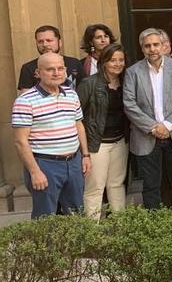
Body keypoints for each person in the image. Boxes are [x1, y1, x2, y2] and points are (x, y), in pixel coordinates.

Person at [123, 28, 172, 218]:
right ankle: (156, 227)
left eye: (156, 44)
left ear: (163, 46)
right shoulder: (133, 72)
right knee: (151, 185)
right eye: (147, 46)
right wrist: (154, 127)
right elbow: (129, 104)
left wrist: (168, 125)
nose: (152, 49)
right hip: (147, 136)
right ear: (142, 48)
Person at [12, 52, 92, 219]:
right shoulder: (25, 100)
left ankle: (76, 247)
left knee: (77, 215)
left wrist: (85, 155)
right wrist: (35, 172)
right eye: (50, 69)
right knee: (46, 218)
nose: (56, 73)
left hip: (74, 162)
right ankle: (48, 247)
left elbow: (79, 125)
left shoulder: (71, 94)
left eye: (60, 68)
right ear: (38, 72)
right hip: (45, 164)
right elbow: (20, 142)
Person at [76, 44, 129, 219]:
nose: (118, 63)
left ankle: (119, 227)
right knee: (95, 188)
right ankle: (93, 233)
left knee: (117, 185)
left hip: (120, 142)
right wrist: (84, 151)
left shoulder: (127, 82)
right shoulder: (89, 84)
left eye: (121, 60)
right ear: (103, 62)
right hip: (96, 144)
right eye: (113, 60)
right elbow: (77, 118)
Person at [18, 25, 83, 92]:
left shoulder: (75, 63)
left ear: (59, 42)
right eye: (40, 41)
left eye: (49, 40)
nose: (45, 45)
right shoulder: (28, 68)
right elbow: (26, 95)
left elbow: (84, 91)